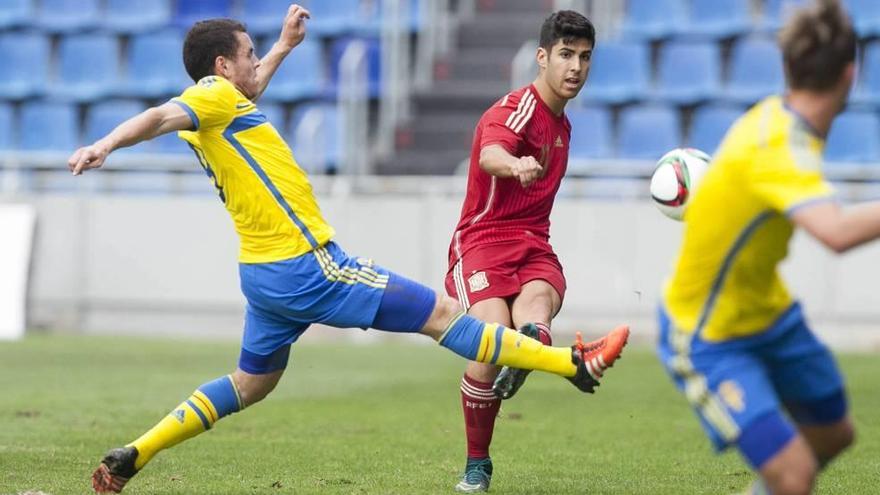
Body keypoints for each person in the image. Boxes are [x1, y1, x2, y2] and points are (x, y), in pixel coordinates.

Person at [68, 6, 627, 494]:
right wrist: (106, 143)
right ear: (221, 68)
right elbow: (160, 115)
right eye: (250, 53)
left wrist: (284, 46)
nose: (254, 62)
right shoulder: (211, 97)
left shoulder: (222, 103)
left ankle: (136, 452)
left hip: (262, 276)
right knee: (440, 315)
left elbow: (247, 87)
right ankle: (571, 362)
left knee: (250, 383)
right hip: (310, 265)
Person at [656, 1, 866, 493]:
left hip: (768, 315)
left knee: (835, 433)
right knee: (794, 475)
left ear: (788, 67)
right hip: (706, 333)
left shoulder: (780, 120)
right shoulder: (777, 147)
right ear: (850, 75)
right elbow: (835, 233)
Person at [443, 10, 629, 493]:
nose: (576, 67)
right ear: (542, 58)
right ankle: (477, 464)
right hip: (481, 243)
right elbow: (489, 152)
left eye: (585, 57)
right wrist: (513, 163)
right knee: (491, 341)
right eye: (566, 55)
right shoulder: (516, 109)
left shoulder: (563, 126)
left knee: (537, 311)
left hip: (533, 244)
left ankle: (533, 345)